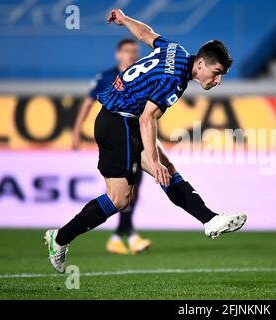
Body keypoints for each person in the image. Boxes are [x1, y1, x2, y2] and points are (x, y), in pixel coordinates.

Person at [44, 8, 247, 273]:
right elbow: (147, 119)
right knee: (119, 199)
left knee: (168, 172)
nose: (217, 81)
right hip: (118, 122)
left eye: (221, 76)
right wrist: (152, 159)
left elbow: (144, 33)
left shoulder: (175, 50)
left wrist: (124, 18)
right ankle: (59, 239)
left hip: (123, 119)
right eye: (216, 72)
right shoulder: (174, 80)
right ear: (200, 64)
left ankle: (211, 220)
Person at [72, 38, 151, 255]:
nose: (132, 55)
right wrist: (76, 132)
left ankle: (120, 236)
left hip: (137, 137)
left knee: (132, 190)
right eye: (127, 51)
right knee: (123, 189)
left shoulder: (143, 75)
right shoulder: (107, 77)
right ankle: (128, 235)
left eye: (135, 51)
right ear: (118, 54)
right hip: (117, 139)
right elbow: (88, 103)